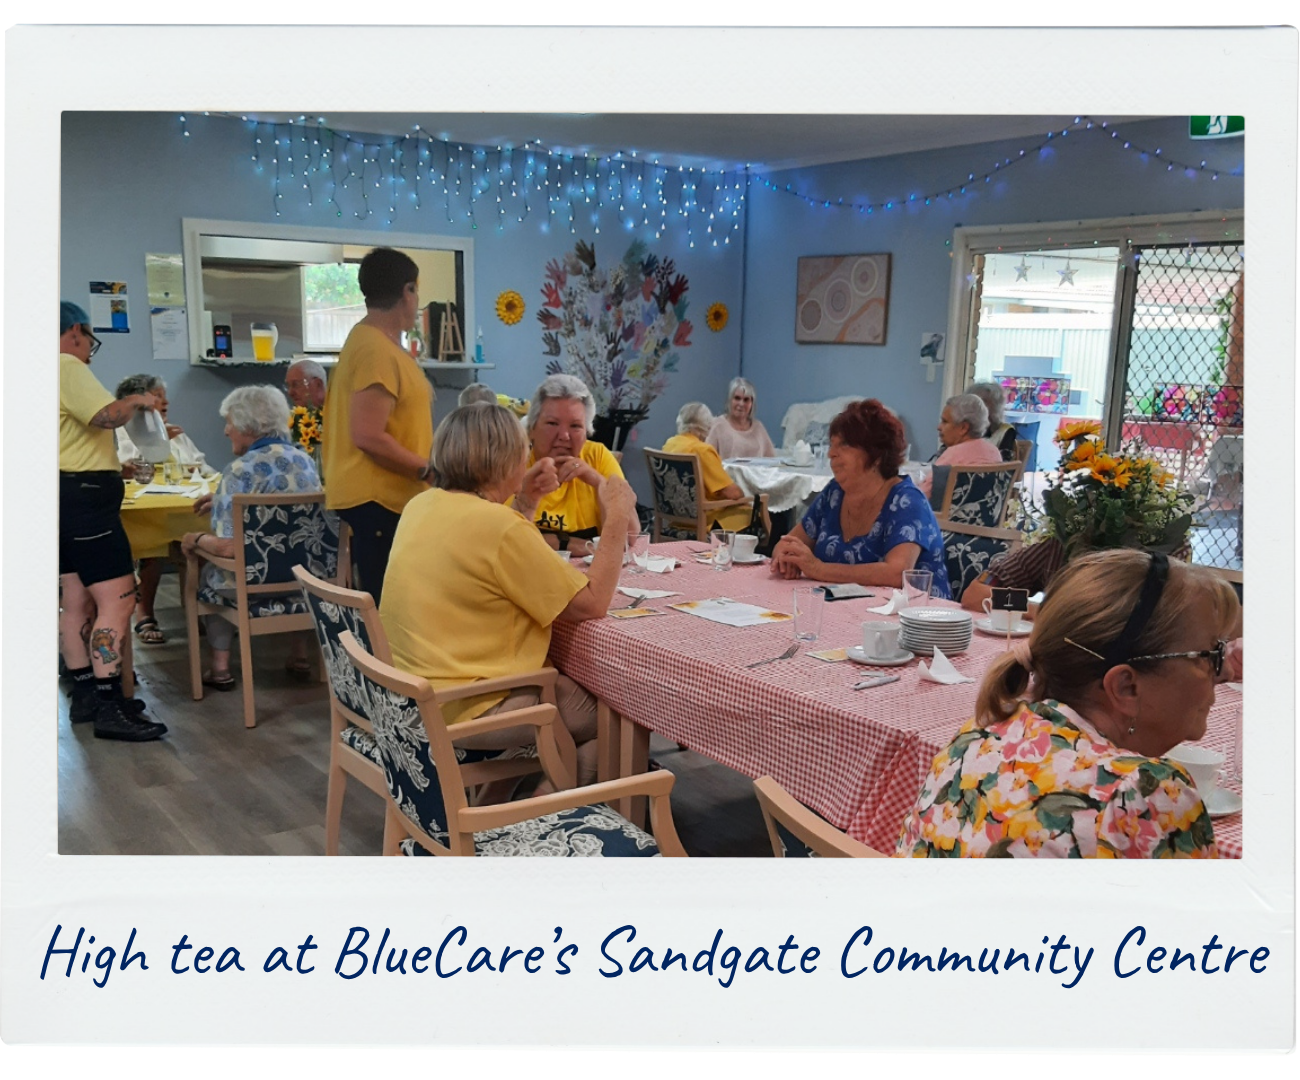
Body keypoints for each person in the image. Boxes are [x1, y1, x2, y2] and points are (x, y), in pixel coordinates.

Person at [898, 549, 1241, 858]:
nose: (1221, 671)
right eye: (1210, 654)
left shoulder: (973, 738)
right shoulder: (1145, 794)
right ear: (1126, 686)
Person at [381, 403, 639, 791]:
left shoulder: (420, 505)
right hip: (469, 703)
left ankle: (510, 807)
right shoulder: (500, 527)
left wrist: (527, 503)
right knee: (618, 718)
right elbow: (591, 603)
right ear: (508, 459)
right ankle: (542, 823)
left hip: (411, 693)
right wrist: (617, 514)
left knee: (573, 696)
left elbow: (487, 560)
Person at [58, 301, 168, 741]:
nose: (89, 350)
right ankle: (110, 702)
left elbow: (69, 441)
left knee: (76, 599)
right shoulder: (65, 364)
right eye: (89, 341)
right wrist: (138, 399)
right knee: (118, 600)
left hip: (62, 494)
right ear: (77, 331)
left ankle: (85, 695)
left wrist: (111, 468)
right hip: (87, 501)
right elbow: (105, 417)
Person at [182, 386, 321, 689]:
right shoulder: (306, 462)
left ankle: (220, 668)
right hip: (305, 580)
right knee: (293, 553)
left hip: (252, 586)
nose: (225, 430)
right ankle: (299, 655)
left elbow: (229, 547)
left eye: (230, 422)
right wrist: (220, 499)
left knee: (209, 571)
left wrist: (194, 539)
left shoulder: (238, 470)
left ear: (247, 425)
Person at [321, 248, 434, 603]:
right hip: (379, 497)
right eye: (416, 292)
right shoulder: (374, 349)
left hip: (388, 497)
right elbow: (368, 435)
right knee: (389, 608)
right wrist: (427, 470)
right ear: (407, 291)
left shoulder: (376, 343)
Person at [770, 399, 952, 598]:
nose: (831, 454)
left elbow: (897, 573)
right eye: (831, 445)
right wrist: (785, 556)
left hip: (918, 618)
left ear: (876, 455)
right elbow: (790, 542)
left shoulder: (907, 501)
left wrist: (818, 569)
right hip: (849, 610)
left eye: (844, 445)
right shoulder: (834, 493)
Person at [112, 374, 211, 646]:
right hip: (147, 506)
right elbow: (129, 467)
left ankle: (201, 609)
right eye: (157, 396)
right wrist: (158, 441)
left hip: (181, 503)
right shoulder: (125, 430)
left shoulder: (176, 431)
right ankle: (144, 613)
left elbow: (201, 464)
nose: (165, 402)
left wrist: (198, 471)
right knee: (151, 550)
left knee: (204, 540)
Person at [513, 374, 635, 555]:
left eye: (575, 426)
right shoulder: (514, 460)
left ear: (586, 432)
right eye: (552, 423)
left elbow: (630, 536)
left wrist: (596, 480)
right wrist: (568, 544)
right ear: (532, 429)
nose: (564, 435)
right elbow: (504, 539)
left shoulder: (597, 456)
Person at [662, 402, 750, 532]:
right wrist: (747, 495)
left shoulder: (670, 444)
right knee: (755, 510)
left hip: (675, 519)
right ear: (706, 426)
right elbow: (733, 493)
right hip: (705, 521)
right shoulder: (702, 450)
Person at [917, 392, 1003, 499]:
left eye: (945, 421)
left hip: (946, 515)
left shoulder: (954, 455)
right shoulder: (994, 452)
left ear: (963, 428)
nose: (939, 427)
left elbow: (922, 496)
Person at [706, 376, 777, 459]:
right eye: (737, 398)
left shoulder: (758, 427)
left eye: (746, 400)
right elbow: (707, 460)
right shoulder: (718, 426)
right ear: (729, 400)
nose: (741, 404)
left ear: (752, 403)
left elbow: (771, 459)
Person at [966, 380, 1019, 460]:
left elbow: (1003, 464)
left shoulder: (1005, 431)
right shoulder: (963, 427)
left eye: (982, 401)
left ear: (996, 405)